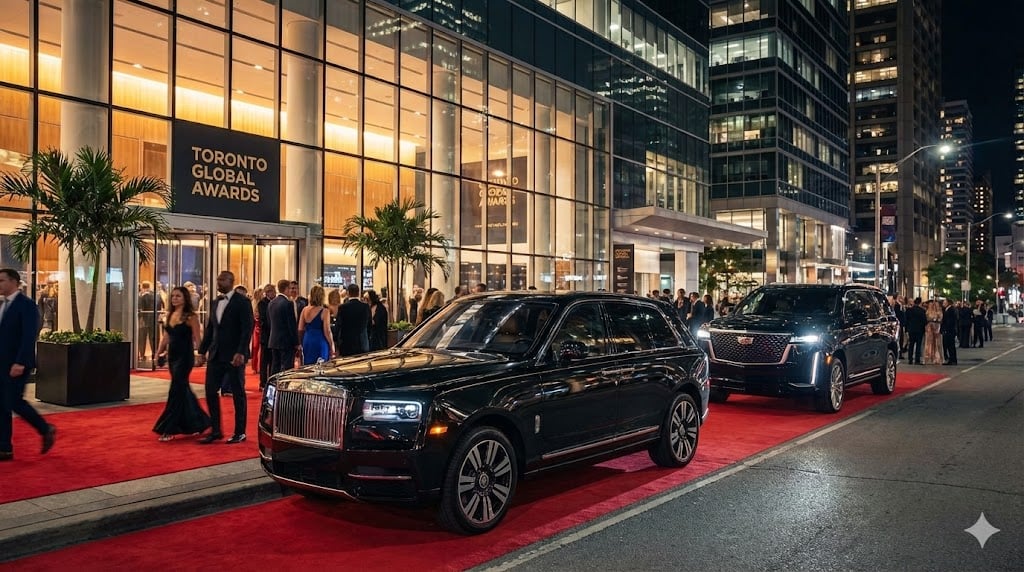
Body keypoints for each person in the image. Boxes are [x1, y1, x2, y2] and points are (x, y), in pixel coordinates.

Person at [0, 269, 56, 462]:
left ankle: (44, 428)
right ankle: (5, 448)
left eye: (2, 280)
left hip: (17, 363)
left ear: (14, 282)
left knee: (14, 401)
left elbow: (28, 336)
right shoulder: (3, 305)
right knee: (2, 405)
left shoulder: (27, 305)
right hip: (2, 363)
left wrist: (21, 362)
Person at [196, 270, 253, 444]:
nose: (218, 282)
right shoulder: (215, 302)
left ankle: (239, 432)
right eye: (218, 279)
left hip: (234, 356)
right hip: (216, 354)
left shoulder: (242, 302)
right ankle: (216, 430)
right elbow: (210, 329)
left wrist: (241, 352)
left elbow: (247, 328)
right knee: (210, 391)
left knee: (237, 393)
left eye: (222, 279)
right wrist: (201, 352)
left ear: (231, 281)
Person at [152, 286, 210, 441]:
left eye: (178, 296)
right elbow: (166, 337)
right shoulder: (170, 314)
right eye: (173, 296)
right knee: (183, 390)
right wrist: (158, 353)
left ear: (185, 298)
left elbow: (198, 338)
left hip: (185, 358)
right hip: (173, 357)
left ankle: (169, 428)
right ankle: (199, 422)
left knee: (176, 390)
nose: (174, 299)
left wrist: (201, 354)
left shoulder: (191, 317)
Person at [268, 278, 299, 376]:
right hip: (286, 342)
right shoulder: (288, 303)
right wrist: (296, 342)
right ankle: (284, 388)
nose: (291, 291)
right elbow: (291, 325)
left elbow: (270, 322)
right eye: (290, 288)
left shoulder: (271, 303)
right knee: (287, 368)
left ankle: (273, 386)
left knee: (275, 366)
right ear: (286, 289)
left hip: (273, 339)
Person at [299, 285, 334, 365]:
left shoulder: (304, 310)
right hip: (320, 341)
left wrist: (301, 342)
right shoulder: (325, 311)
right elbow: (327, 331)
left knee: (308, 366)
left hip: (307, 340)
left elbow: (300, 329)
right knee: (321, 365)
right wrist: (332, 345)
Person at [335, 283, 370, 356]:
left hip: (346, 343)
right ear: (358, 293)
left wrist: (336, 341)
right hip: (362, 343)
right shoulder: (365, 307)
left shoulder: (343, 307)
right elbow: (369, 325)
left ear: (348, 293)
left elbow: (338, 325)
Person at [255, 283, 275, 389]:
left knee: (272, 360)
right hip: (266, 336)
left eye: (273, 291)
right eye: (270, 291)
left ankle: (271, 382)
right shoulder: (262, 303)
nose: (272, 293)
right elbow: (264, 319)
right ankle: (262, 383)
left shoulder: (275, 302)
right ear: (266, 293)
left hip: (274, 335)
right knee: (264, 361)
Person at [138, 280, 161, 362]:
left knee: (142, 339)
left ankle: (142, 355)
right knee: (154, 338)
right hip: (154, 319)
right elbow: (159, 307)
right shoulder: (157, 295)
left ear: (142, 286)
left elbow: (140, 308)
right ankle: (155, 354)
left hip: (143, 320)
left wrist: (140, 318)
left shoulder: (141, 296)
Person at [904, 297, 927, 365]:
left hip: (911, 329)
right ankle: (917, 360)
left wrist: (907, 329)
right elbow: (925, 321)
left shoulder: (909, 310)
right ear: (920, 302)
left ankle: (910, 359)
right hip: (919, 330)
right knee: (918, 345)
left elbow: (907, 320)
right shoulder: (922, 311)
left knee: (911, 344)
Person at [923, 301, 944, 365]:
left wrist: (936, 319)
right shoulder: (928, 311)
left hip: (937, 328)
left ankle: (937, 358)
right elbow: (926, 318)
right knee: (929, 343)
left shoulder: (939, 312)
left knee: (937, 344)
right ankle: (928, 358)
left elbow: (940, 319)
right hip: (929, 328)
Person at [940, 299, 959, 366]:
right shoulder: (947, 309)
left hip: (949, 331)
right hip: (948, 330)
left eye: (945, 302)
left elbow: (949, 321)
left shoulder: (951, 310)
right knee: (948, 345)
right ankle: (951, 359)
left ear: (948, 303)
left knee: (950, 345)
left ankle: (953, 360)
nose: (943, 303)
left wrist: (945, 329)